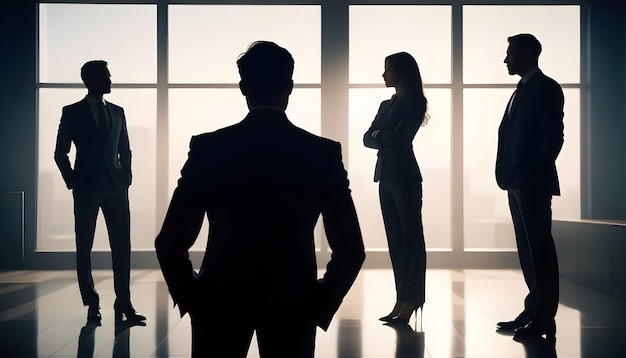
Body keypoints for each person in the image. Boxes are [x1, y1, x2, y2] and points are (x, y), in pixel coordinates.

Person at [155, 41, 365, 357]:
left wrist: (195, 299)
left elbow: (170, 242)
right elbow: (351, 249)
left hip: (219, 300)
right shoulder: (321, 153)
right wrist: (318, 305)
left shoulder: (209, 149)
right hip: (294, 302)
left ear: (243, 87)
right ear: (290, 87)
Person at [54, 60, 145, 323]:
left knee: (122, 246)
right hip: (87, 187)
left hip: (117, 187)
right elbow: (60, 153)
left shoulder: (118, 111)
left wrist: (127, 177)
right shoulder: (72, 112)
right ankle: (91, 303)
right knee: (84, 245)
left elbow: (125, 148)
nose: (110, 79)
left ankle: (123, 303)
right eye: (106, 75)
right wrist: (73, 181)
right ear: (90, 80)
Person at [495, 34, 563, 340]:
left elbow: (553, 137)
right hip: (517, 184)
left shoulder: (546, 88)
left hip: (531, 184)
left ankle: (544, 318)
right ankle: (533, 310)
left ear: (527, 54)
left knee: (541, 252)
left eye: (510, 53)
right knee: (528, 251)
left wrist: (532, 175)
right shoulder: (521, 91)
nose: (506, 59)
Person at [363, 52, 428, 326]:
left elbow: (401, 139)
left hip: (404, 176)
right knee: (395, 241)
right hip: (386, 176)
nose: (383, 75)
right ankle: (402, 298)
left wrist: (381, 135)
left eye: (387, 70)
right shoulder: (384, 104)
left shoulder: (415, 101)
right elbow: (367, 138)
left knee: (411, 240)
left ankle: (413, 299)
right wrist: (382, 137)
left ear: (400, 72)